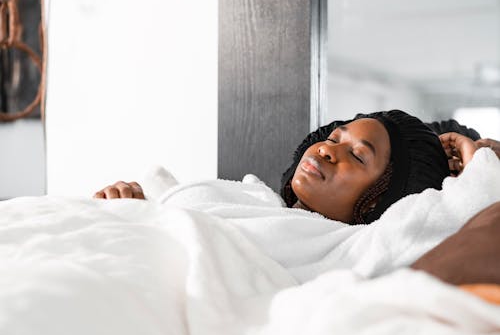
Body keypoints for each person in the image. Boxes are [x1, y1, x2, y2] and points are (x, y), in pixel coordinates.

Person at [94, 109, 451, 225]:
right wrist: (132, 206)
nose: (328, 150)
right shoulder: (253, 200)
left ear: (380, 200)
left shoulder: (352, 251)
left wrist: (475, 152)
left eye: (357, 156)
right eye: (335, 138)